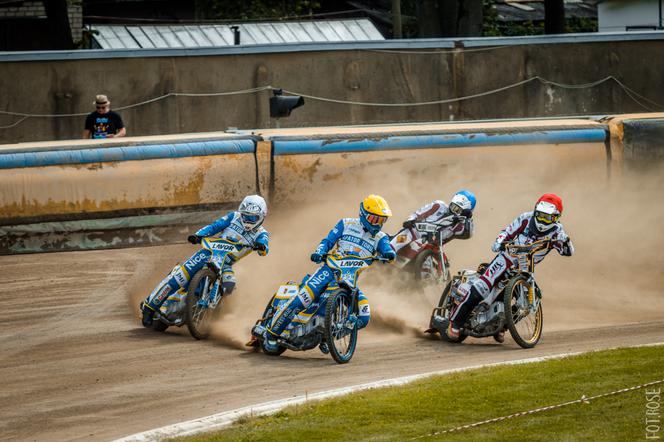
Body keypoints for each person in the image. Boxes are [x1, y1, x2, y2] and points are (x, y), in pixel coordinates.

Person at [262, 194, 397, 351]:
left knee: (364, 316)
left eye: (382, 220)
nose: (378, 224)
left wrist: (389, 254)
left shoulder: (381, 237)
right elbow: (328, 241)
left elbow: (388, 249)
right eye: (375, 219)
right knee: (301, 300)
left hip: (350, 281)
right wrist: (319, 252)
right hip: (328, 272)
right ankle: (271, 334)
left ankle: (329, 337)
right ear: (364, 214)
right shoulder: (346, 224)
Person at [447, 193, 573, 343]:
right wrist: (499, 242)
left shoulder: (558, 232)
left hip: (526, 268)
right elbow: (507, 231)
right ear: (535, 210)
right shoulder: (526, 218)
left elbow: (567, 251)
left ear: (556, 217)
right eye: (540, 215)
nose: (542, 220)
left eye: (547, 217)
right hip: (506, 259)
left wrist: (566, 242)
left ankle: (502, 327)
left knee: (525, 304)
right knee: (482, 287)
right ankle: (455, 322)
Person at [140, 195, 269, 327]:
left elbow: (264, 248)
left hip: (226, 264)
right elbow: (215, 226)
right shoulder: (234, 217)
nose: (248, 220)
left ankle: (208, 314)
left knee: (229, 285)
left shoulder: (261, 233)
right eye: (246, 216)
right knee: (179, 277)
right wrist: (198, 235)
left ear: (261, 216)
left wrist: (261, 246)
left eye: (253, 217)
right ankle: (149, 307)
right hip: (207, 253)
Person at [392, 190, 476, 258]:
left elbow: (468, 234)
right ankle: (389, 251)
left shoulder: (460, 225)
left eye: (458, 210)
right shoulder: (439, 205)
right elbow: (419, 213)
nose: (453, 211)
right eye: (453, 206)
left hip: (430, 248)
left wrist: (468, 219)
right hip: (415, 233)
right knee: (406, 235)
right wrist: (410, 220)